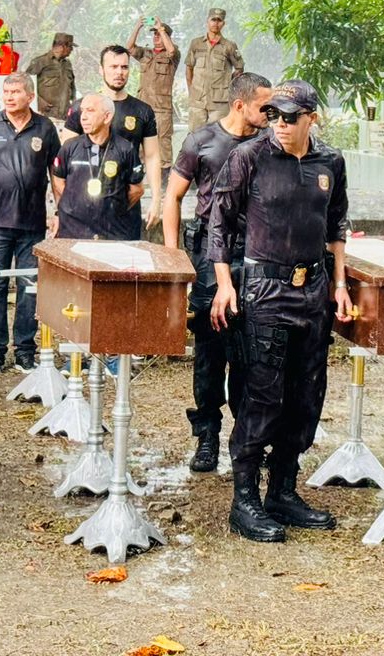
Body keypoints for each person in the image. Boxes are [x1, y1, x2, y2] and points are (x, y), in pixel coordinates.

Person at [208, 79, 350, 543]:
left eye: (291, 117)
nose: (281, 125)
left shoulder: (330, 161)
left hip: (313, 290)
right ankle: (244, 498)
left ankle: (283, 490)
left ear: (312, 117)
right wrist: (224, 284)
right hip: (263, 289)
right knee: (261, 395)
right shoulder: (249, 157)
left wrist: (341, 284)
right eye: (274, 116)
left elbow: (337, 225)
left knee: (306, 396)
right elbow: (218, 222)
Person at [164, 71, 272, 473]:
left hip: (255, 253)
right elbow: (173, 196)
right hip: (209, 253)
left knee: (250, 351)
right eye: (265, 105)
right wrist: (174, 257)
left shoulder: (269, 144)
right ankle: (207, 435)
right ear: (240, 104)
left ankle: (245, 442)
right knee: (210, 351)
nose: (271, 112)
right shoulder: (202, 141)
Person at [0, 71, 61, 374]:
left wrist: (60, 213)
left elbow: (56, 176)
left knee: (29, 287)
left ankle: (24, 352)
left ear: (30, 96)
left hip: (32, 225)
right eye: (5, 92)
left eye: (15, 92)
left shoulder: (44, 129)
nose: (8, 97)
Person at [64, 45, 162, 236]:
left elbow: (152, 156)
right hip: (84, 208)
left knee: (124, 264)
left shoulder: (142, 111)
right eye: (113, 67)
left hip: (125, 205)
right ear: (101, 70)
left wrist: (157, 199)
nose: (119, 72)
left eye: (124, 67)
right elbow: (65, 157)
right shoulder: (81, 108)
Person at [51, 93, 145, 239]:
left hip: (111, 232)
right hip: (73, 230)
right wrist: (75, 205)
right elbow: (58, 179)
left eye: (91, 110)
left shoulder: (125, 149)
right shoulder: (70, 147)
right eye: (83, 110)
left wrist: (112, 209)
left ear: (107, 117)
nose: (83, 116)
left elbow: (136, 189)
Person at [129, 19, 179, 169]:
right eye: (154, 34)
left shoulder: (173, 55)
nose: (156, 37)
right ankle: (141, 174)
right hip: (142, 105)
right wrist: (137, 27)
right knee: (139, 139)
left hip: (161, 108)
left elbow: (171, 51)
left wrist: (162, 29)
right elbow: (129, 48)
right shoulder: (146, 53)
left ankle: (163, 179)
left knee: (163, 142)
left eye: (159, 34)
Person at [185, 7, 244, 130]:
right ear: (207, 21)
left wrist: (229, 83)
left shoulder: (229, 46)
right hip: (198, 101)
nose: (216, 23)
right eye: (213, 20)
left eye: (219, 20)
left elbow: (239, 68)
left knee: (217, 137)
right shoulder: (196, 43)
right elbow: (189, 67)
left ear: (223, 23)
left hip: (219, 102)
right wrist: (191, 90)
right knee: (195, 137)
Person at [24, 32, 77, 122]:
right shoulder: (40, 62)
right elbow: (25, 84)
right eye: (70, 47)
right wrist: (39, 102)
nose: (71, 50)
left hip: (65, 117)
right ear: (62, 46)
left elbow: (72, 88)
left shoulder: (67, 64)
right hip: (44, 116)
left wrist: (74, 105)